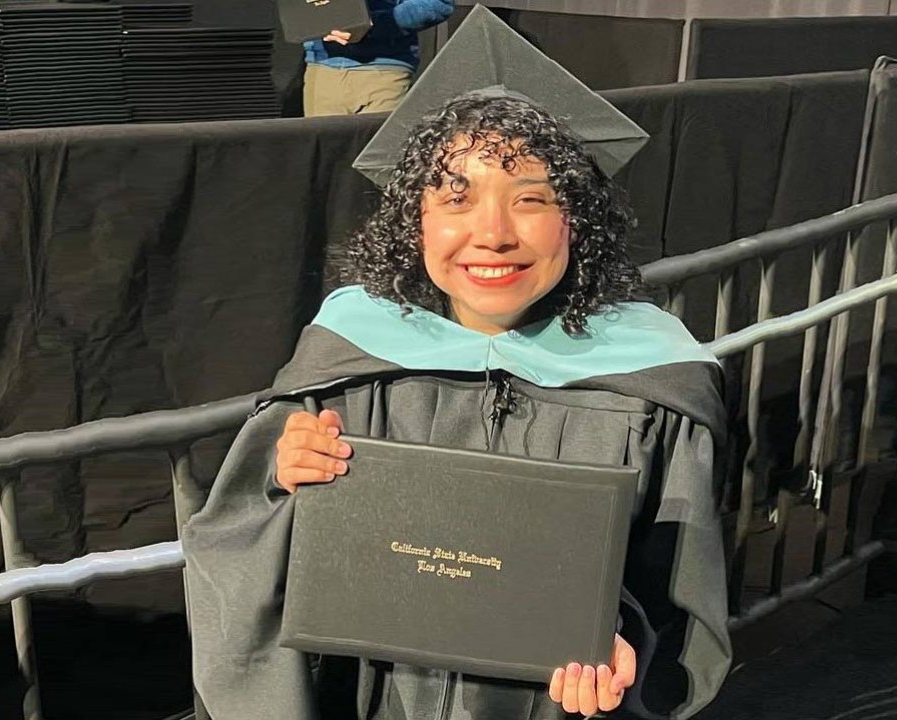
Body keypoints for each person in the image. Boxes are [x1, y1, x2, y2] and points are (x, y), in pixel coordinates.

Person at [181, 11, 730, 718]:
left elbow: (684, 603)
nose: (493, 235)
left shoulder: (654, 382)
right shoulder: (350, 355)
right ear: (416, 220)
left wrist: (633, 652)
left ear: (578, 219)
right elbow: (236, 552)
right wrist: (281, 484)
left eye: (531, 199)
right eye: (455, 197)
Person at [303, 0, 455, 116]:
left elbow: (438, 4)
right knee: (325, 155)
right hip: (323, 69)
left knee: (380, 155)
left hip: (384, 71)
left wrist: (371, 23)